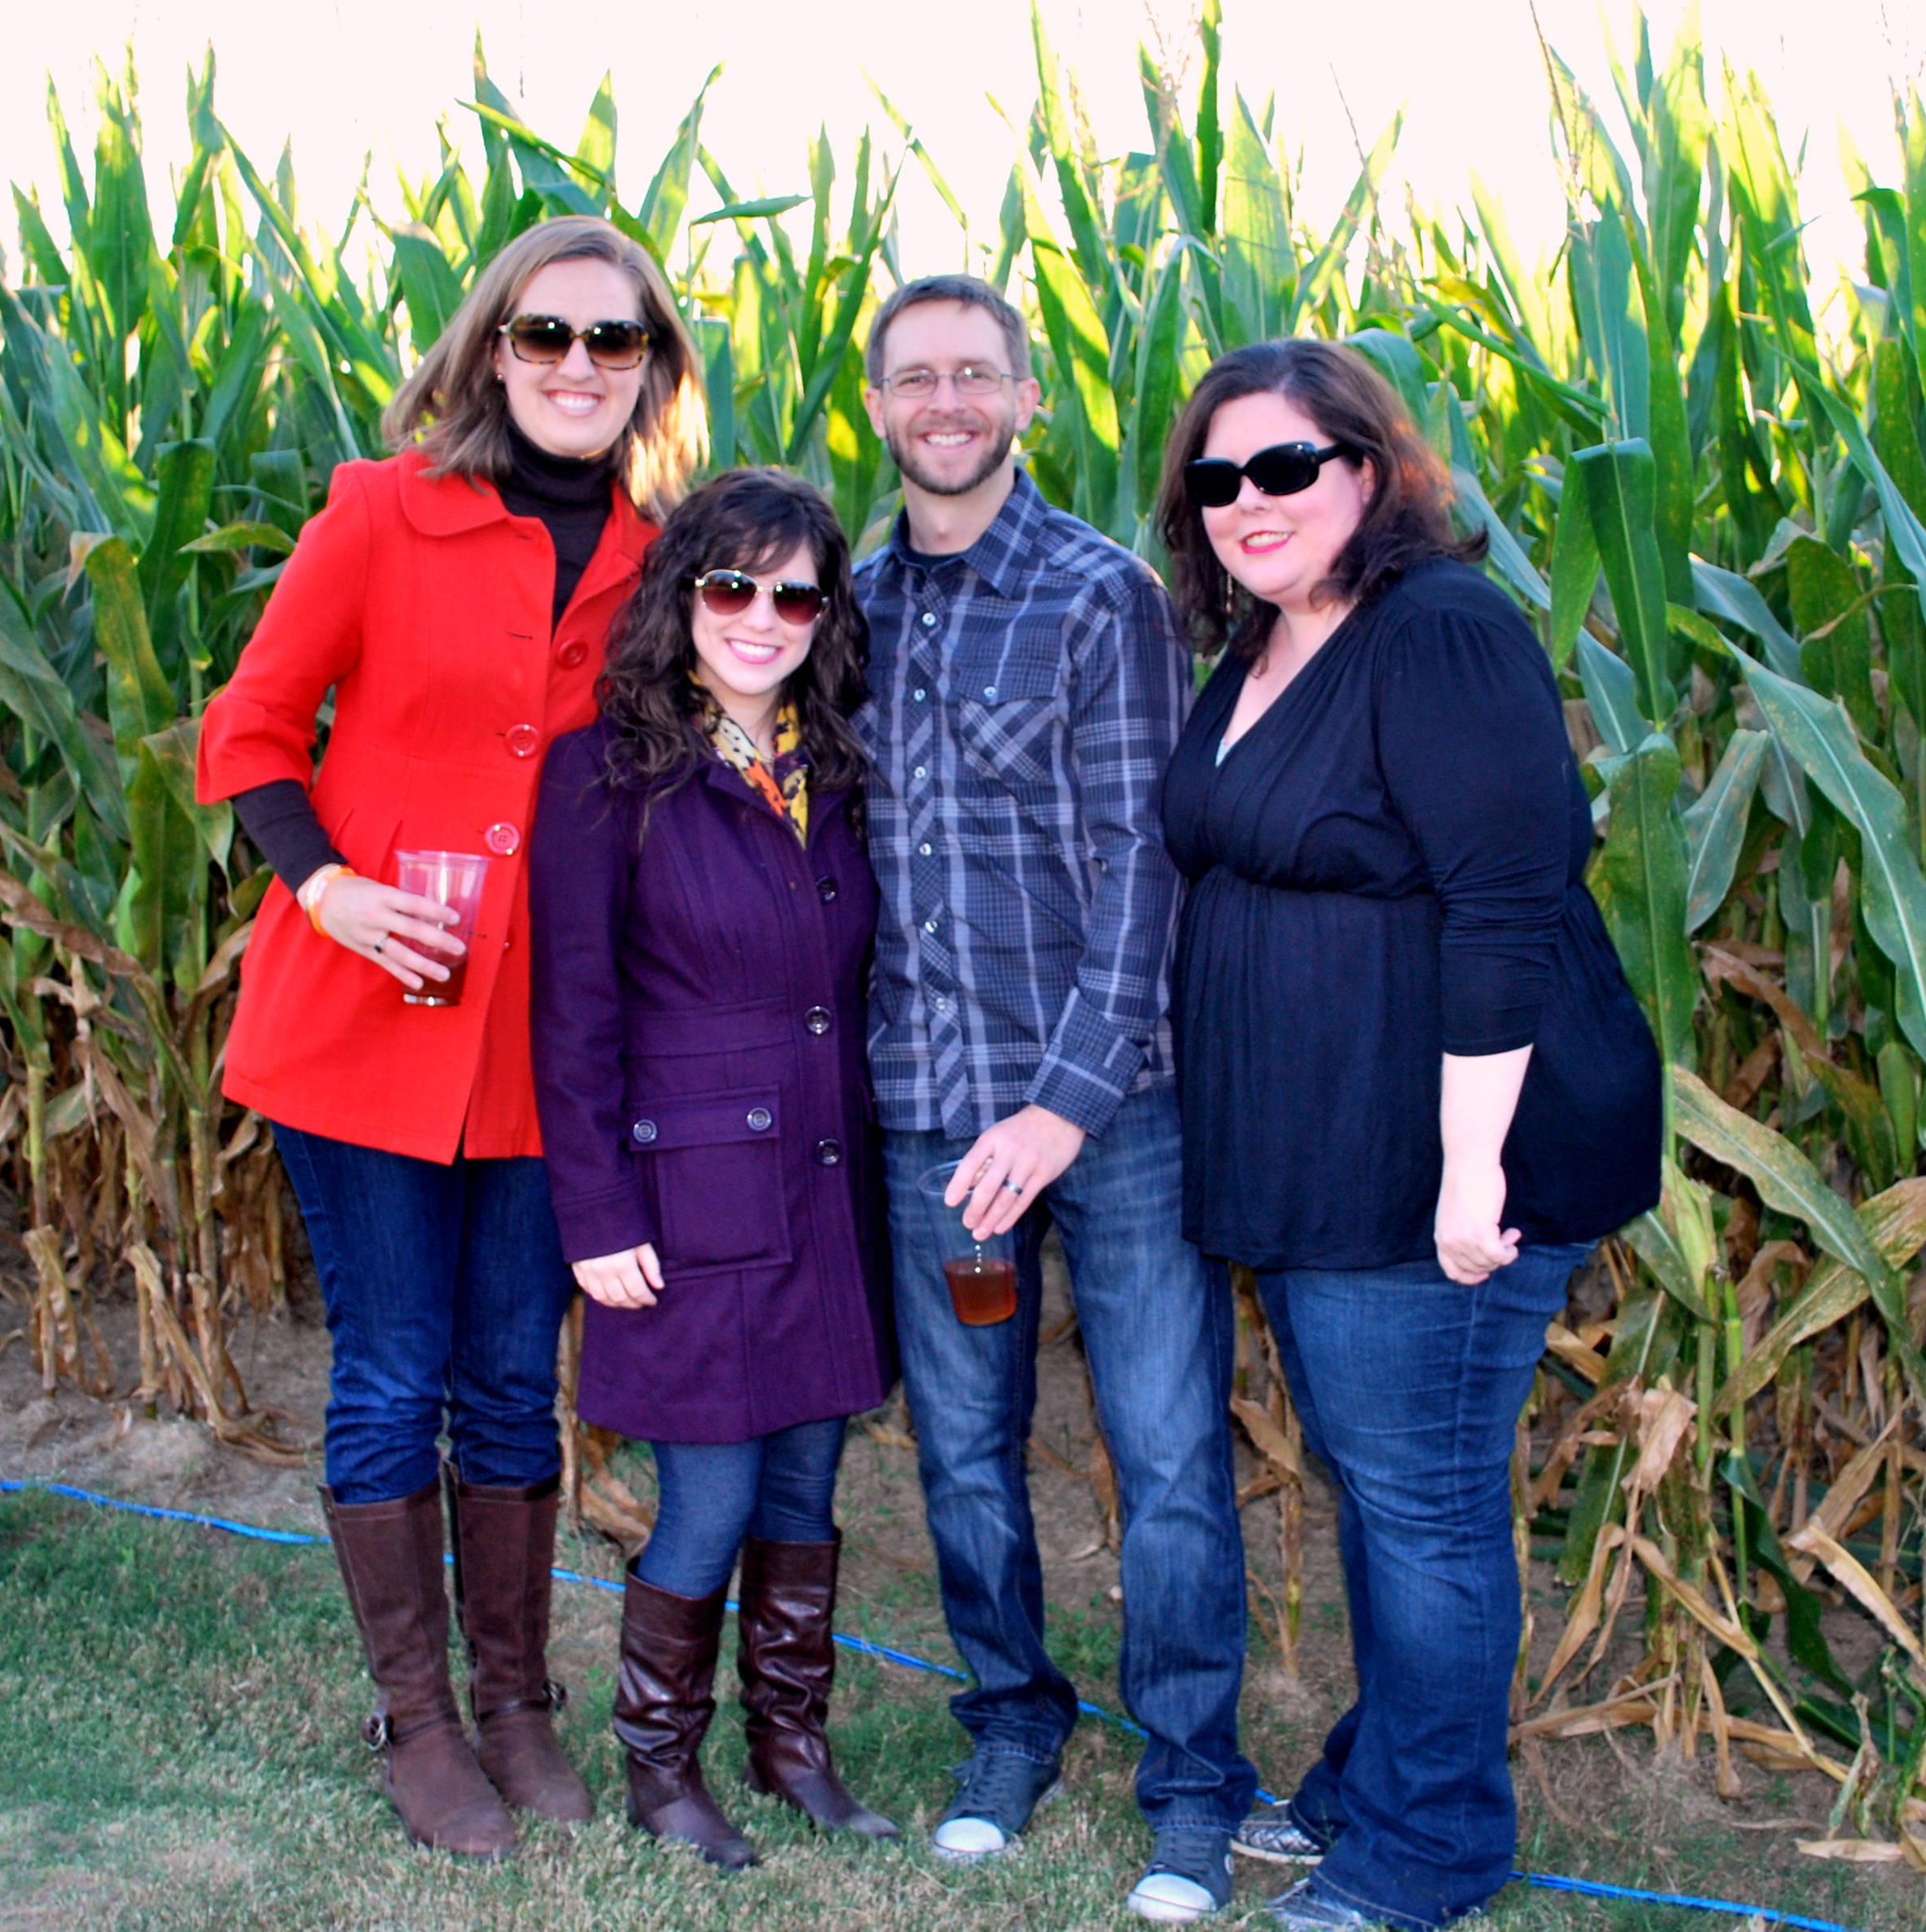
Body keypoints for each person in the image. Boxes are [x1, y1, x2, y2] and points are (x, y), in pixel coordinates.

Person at [195, 214, 706, 1861]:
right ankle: (416, 1722)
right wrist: (329, 888)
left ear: (653, 367)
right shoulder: (379, 511)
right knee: (391, 1368)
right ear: (492, 348)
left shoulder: (666, 560)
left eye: (613, 339)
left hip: (548, 1046)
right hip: (363, 1016)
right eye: (545, 334)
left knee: (505, 1382)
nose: (577, 365)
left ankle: (517, 1708)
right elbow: (250, 732)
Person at [1152, 340, 1662, 1930]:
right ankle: (1379, 1783)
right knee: (1387, 1488)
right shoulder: (1267, 636)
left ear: (1368, 471)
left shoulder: (1437, 630)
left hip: (1429, 1164)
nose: (1248, 501)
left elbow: (1505, 908)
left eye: (1284, 467)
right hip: (1323, 1154)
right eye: (1217, 477)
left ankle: (1431, 1846)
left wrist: (1467, 1171)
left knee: (1423, 1506)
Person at [852, 274, 1258, 1924]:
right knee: (962, 1450)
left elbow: (1144, 874)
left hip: (1115, 1113)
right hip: (931, 1112)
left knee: (1167, 1455)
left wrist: (1062, 1107)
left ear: (1029, 399)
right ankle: (1012, 1721)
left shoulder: (1102, 598)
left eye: (977, 373)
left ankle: (1193, 1782)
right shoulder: (846, 608)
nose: (945, 401)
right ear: (877, 406)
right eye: (914, 377)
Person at [528, 467, 898, 1870]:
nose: (760, 617)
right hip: (688, 1204)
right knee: (714, 1499)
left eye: (794, 593)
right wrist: (594, 1211)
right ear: (682, 595)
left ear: (826, 613)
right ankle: (661, 1768)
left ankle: (792, 1748)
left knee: (805, 1491)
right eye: (732, 584)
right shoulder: (603, 772)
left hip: (826, 1185)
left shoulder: (837, 768)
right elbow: (573, 1013)